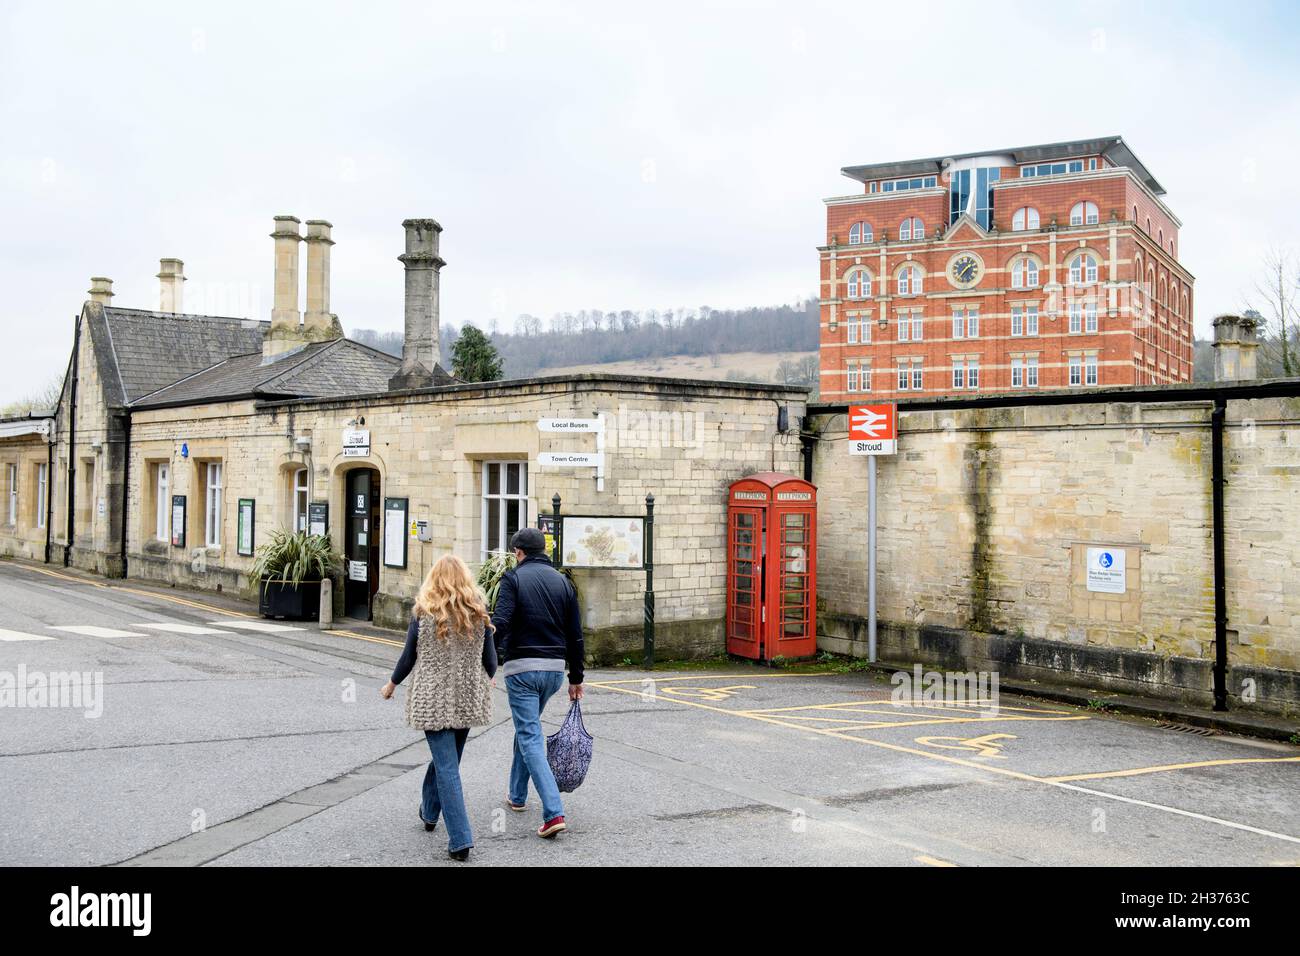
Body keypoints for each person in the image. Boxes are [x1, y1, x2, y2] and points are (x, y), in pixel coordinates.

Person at [381, 554, 496, 862]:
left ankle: (460, 839)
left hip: (432, 700)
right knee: (448, 763)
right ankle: (430, 812)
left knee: (446, 766)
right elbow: (491, 661)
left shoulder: (423, 613)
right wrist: (488, 677)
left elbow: (408, 657)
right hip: (467, 698)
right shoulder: (478, 614)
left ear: (434, 579)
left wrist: (391, 684)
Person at [491, 527, 584, 839]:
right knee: (527, 727)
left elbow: (500, 624)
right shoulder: (564, 583)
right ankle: (517, 795)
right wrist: (576, 678)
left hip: (522, 671)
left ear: (519, 552)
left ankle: (553, 812)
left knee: (530, 735)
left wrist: (488, 665)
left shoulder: (513, 579)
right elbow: (576, 635)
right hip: (554, 672)